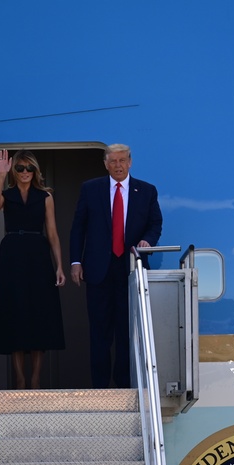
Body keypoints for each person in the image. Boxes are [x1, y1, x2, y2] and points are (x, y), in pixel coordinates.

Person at [69, 144, 163, 388]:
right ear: (105, 164)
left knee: (127, 331)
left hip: (131, 270)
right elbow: (78, 227)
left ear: (130, 162)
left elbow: (155, 224)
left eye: (122, 160)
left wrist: (148, 241)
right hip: (99, 271)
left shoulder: (147, 191)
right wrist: (76, 261)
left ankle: (124, 386)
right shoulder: (91, 189)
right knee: (99, 333)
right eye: (113, 161)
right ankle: (100, 388)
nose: (118, 165)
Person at [0, 149, 66, 389]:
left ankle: (35, 379)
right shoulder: (7, 194)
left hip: (38, 255)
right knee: (15, 316)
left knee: (38, 316)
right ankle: (20, 380)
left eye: (29, 168)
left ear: (36, 171)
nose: (25, 173)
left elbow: (52, 233)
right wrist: (1, 175)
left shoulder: (45, 196)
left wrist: (59, 266)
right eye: (20, 168)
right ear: (15, 170)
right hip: (12, 255)